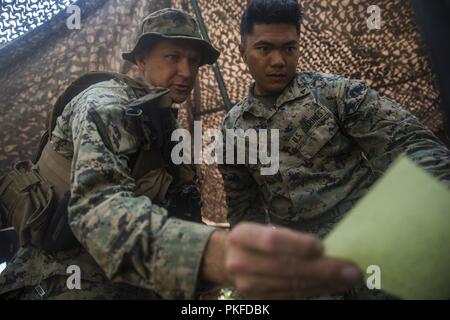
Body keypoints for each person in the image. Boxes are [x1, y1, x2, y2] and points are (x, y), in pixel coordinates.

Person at [0, 7, 361, 300]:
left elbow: (177, 217)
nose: (186, 72)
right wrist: (211, 255)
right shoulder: (106, 104)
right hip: (62, 283)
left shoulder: (166, 126)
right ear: (141, 58)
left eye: (194, 61)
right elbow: (97, 209)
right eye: (173, 57)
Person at [218, 0, 450, 298]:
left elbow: (410, 144)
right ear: (242, 52)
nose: (278, 60)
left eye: (289, 48)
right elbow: (243, 209)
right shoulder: (233, 129)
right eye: (264, 48)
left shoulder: (336, 94)